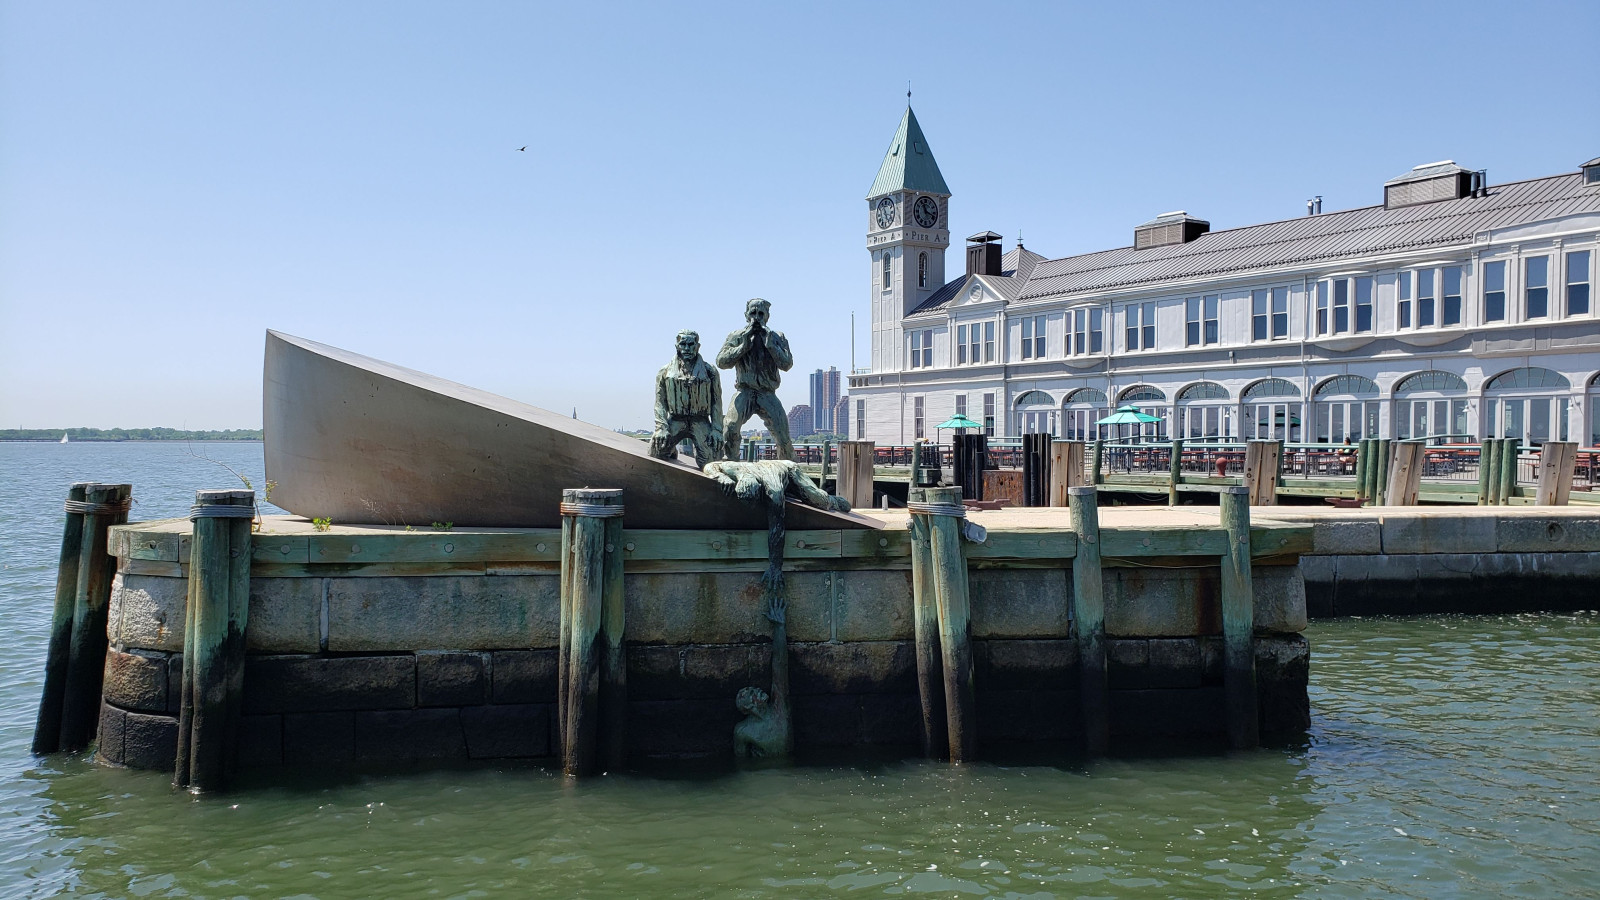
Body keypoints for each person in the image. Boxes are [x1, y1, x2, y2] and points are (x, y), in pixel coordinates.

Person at [716, 298, 794, 460]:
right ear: (746, 315)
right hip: (745, 391)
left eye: (760, 313)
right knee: (730, 426)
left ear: (767, 317)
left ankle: (787, 468)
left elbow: (786, 364)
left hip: (767, 393)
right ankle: (731, 462)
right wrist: (742, 347)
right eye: (753, 313)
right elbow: (721, 362)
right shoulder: (736, 336)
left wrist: (771, 345)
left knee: (782, 434)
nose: (756, 317)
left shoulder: (777, 337)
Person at [649, 330, 723, 468]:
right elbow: (660, 403)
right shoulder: (664, 371)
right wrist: (661, 428)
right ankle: (671, 448)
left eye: (691, 344)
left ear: (698, 346)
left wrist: (717, 430)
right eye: (683, 344)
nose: (687, 348)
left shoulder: (710, 371)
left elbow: (716, 402)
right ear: (677, 346)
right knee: (656, 450)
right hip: (676, 420)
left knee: (712, 460)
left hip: (700, 421)